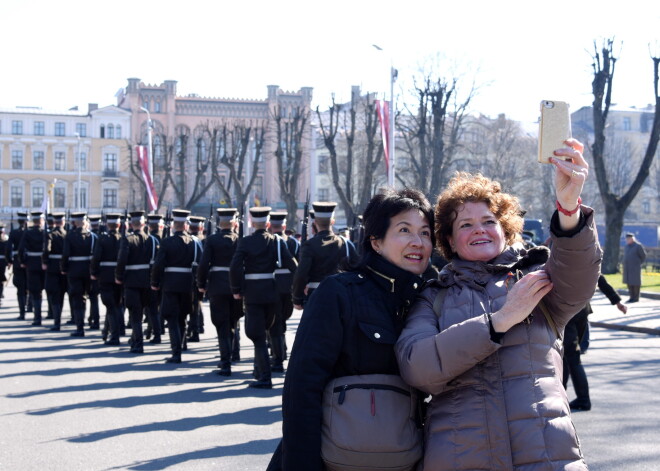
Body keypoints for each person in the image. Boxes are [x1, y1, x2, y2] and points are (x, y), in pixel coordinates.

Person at [395, 139, 602, 470]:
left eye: (489, 221)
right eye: (465, 224)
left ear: (505, 230)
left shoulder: (538, 275)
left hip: (547, 456)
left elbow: (579, 275)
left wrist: (568, 208)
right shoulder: (433, 296)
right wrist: (499, 320)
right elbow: (417, 368)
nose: (479, 230)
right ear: (449, 240)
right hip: (461, 458)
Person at [269, 188, 434, 470]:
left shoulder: (430, 297)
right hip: (335, 459)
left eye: (426, 232)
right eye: (404, 230)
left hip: (404, 457)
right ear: (376, 242)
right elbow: (302, 387)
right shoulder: (340, 292)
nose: (417, 242)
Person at [229, 206, 297, 389]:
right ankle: (265, 368)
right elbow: (293, 265)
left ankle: (264, 376)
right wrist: (297, 286)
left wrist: (237, 289)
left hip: (253, 294)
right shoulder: (277, 241)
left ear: (251, 223)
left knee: (257, 335)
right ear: (268, 224)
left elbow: (235, 267)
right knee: (272, 330)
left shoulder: (245, 242)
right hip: (272, 293)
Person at [563, 274, 627, 412]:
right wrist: (617, 301)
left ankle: (580, 399)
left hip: (567, 310)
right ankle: (568, 397)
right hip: (581, 310)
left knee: (570, 356)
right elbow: (599, 277)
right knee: (567, 355)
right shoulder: (586, 255)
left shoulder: (561, 254)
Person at [197, 208, 243, 376]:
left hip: (217, 286)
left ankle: (225, 362)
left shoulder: (212, 240)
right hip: (235, 287)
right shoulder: (240, 240)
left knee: (222, 325)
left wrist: (201, 284)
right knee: (233, 322)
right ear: (235, 223)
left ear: (219, 223)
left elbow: (203, 264)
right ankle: (233, 353)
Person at [151, 209, 198, 364]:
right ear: (186, 225)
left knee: (172, 318)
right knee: (182, 317)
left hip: (170, 284)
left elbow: (158, 264)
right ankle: (181, 345)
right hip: (187, 284)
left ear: (173, 225)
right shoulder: (194, 242)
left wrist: (155, 282)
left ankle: (176, 352)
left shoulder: (166, 242)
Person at [291, 202, 358, 309]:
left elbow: (301, 274)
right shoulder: (345, 243)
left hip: (315, 296)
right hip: (340, 296)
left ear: (315, 222)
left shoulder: (309, 245)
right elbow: (357, 270)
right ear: (332, 221)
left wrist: (297, 298)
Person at [115, 210, 159, 353]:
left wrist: (119, 277)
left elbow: (122, 260)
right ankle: (136, 339)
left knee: (135, 315)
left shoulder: (127, 240)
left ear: (130, 224)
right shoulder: (152, 240)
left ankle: (138, 343)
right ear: (144, 223)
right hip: (147, 281)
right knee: (144, 312)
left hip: (132, 282)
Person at [90, 213, 124, 346]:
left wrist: (94, 272)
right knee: (115, 304)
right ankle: (108, 331)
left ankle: (114, 336)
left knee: (111, 306)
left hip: (105, 276)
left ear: (107, 225)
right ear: (119, 225)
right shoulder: (123, 238)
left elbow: (96, 257)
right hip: (119, 276)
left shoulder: (102, 239)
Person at [61, 212, 95, 337]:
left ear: (74, 223)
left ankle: (79, 327)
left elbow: (65, 255)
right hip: (87, 271)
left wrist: (63, 268)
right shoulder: (91, 236)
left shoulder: (70, 236)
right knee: (84, 297)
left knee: (77, 298)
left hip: (74, 271)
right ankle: (83, 322)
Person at [18, 211, 46, 326]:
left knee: (35, 292)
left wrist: (23, 262)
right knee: (45, 289)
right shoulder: (45, 233)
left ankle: (37, 318)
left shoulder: (28, 233)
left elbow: (20, 249)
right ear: (42, 221)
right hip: (43, 264)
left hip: (32, 264)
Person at [42, 213, 67, 331]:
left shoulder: (50, 234)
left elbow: (46, 249)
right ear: (63, 222)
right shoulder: (68, 234)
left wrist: (45, 262)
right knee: (62, 293)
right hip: (65, 267)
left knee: (55, 295)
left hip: (52, 267)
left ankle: (57, 322)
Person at [6, 212, 29, 319]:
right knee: (30, 286)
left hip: (17, 262)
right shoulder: (30, 232)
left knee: (20, 288)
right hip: (30, 262)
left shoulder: (14, 233)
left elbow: (8, 248)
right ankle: (30, 307)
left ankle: (22, 313)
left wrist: (9, 260)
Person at [623, 232, 646, 303]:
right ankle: (631, 297)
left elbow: (643, 256)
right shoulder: (626, 246)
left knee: (635, 283)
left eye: (629, 239)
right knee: (629, 283)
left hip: (635, 268)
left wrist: (637, 263)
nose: (627, 240)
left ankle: (636, 298)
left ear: (632, 239)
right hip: (627, 268)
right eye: (626, 239)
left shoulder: (638, 246)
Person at [0, 223, 8, 308]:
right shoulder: (5, 241)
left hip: (2, 261)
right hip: (2, 262)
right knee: (1, 280)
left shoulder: (5, 241)